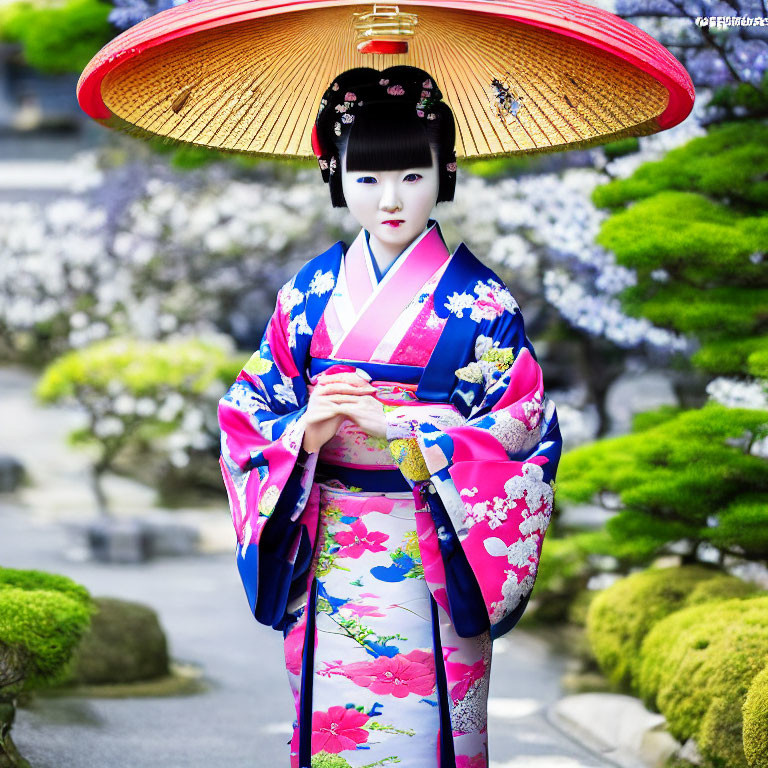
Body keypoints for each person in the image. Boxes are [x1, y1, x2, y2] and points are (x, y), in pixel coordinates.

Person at [218, 65, 563, 768]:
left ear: (447, 170)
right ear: (335, 175)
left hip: (436, 544)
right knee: (334, 728)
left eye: (412, 174)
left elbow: (523, 428)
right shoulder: (308, 294)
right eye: (366, 178)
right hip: (331, 552)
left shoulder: (483, 306)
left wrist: (409, 431)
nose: (390, 199)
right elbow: (248, 412)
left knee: (428, 731)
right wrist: (303, 431)